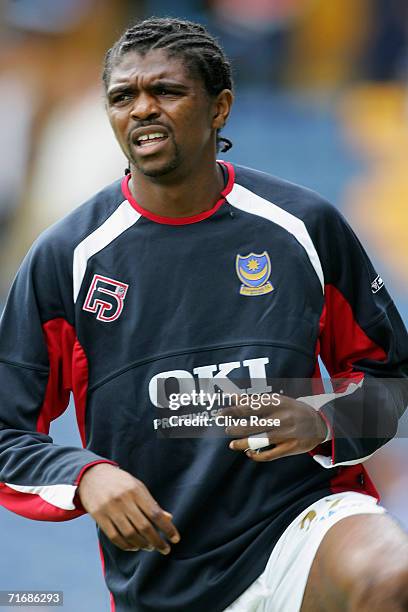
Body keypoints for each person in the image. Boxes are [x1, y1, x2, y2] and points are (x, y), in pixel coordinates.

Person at [0, 16, 407, 612]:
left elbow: (391, 380)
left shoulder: (303, 226)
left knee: (392, 579)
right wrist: (86, 476)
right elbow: (8, 431)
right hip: (168, 572)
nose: (141, 109)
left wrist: (321, 420)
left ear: (220, 108)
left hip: (301, 525)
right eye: (122, 96)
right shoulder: (68, 256)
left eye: (165, 91)